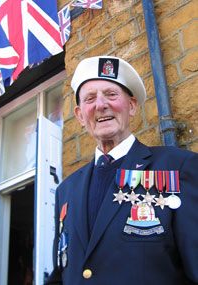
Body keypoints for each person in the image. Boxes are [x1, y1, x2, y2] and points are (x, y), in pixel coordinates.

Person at [45, 56, 198, 285]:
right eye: (90, 99)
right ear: (80, 116)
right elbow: (64, 273)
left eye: (111, 94)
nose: (100, 105)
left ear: (132, 106)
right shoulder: (66, 190)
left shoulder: (177, 167)